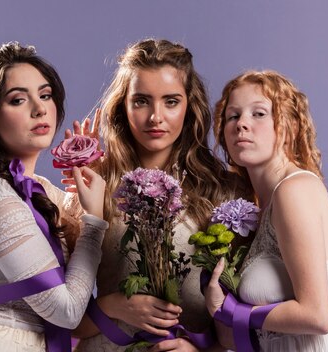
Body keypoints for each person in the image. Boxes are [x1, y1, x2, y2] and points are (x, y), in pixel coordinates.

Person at [64, 39, 244, 352]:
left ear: (190, 105)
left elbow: (244, 319)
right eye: (141, 101)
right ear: (123, 105)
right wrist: (112, 305)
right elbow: (58, 315)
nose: (155, 117)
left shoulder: (223, 191)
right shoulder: (94, 185)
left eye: (171, 101)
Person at [0, 42, 108, 352]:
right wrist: (94, 223)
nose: (40, 109)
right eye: (18, 100)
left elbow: (84, 245)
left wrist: (87, 174)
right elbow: (66, 311)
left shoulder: (34, 188)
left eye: (45, 95)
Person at [205, 70, 328, 351]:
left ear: (288, 125)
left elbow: (317, 316)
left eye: (259, 113)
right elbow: (245, 338)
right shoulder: (258, 210)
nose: (242, 124)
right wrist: (216, 303)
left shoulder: (294, 190)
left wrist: (233, 312)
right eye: (233, 115)